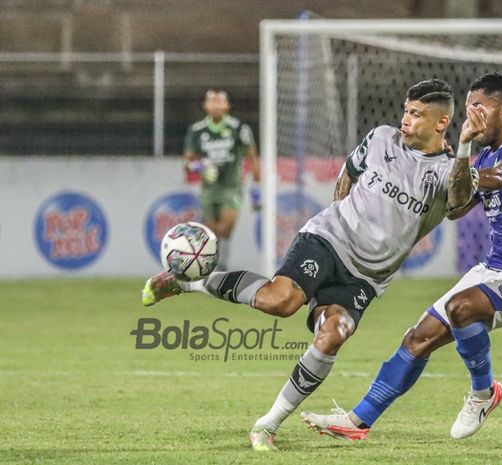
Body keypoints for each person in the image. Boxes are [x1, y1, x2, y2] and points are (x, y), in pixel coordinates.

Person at [141, 78, 482, 451]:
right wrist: (338, 216)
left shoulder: (452, 170)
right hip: (328, 239)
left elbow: (460, 203)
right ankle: (186, 283)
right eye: (405, 110)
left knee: (333, 334)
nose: (405, 119)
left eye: (416, 114)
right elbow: (348, 174)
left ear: (440, 122)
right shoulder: (382, 137)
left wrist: (464, 148)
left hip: (366, 277)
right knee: (280, 302)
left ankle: (267, 424)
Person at [301, 72, 502, 441]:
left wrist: (457, 164)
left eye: (480, 107)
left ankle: (483, 394)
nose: (471, 117)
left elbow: (497, 178)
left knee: (460, 308)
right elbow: (457, 206)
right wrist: (461, 159)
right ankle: (357, 422)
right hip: (493, 268)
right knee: (418, 338)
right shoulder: (481, 153)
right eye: (468, 109)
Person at [183, 89, 262, 270]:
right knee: (210, 231)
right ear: (205, 106)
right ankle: (212, 265)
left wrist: (256, 187)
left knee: (226, 227)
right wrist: (200, 167)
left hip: (231, 186)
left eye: (220, 101)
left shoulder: (238, 129)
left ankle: (221, 266)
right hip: (209, 188)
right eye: (212, 101)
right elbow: (187, 163)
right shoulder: (197, 131)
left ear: (227, 106)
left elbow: (252, 157)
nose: (216, 105)